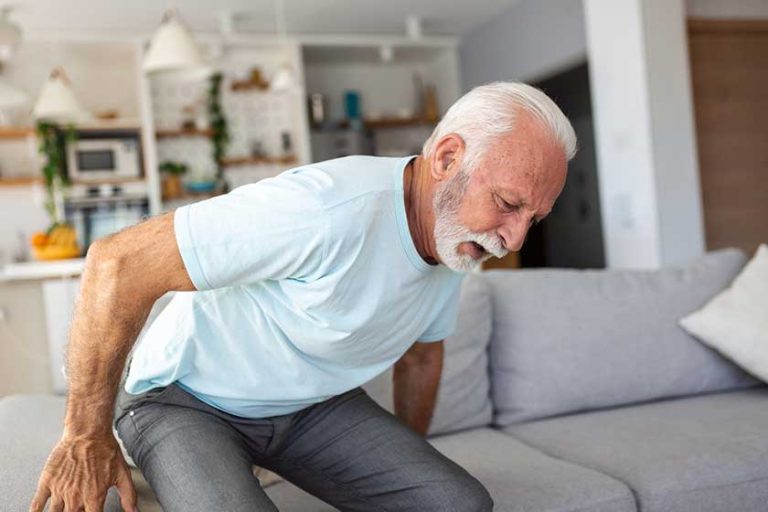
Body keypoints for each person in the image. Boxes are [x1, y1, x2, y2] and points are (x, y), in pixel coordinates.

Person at [30, 82, 576, 512]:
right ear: (448, 158)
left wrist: (393, 467)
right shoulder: (323, 208)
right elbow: (116, 264)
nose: (515, 239)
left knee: (458, 504)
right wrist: (84, 433)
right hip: (186, 398)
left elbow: (423, 353)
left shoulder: (458, 238)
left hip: (312, 408)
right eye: (508, 202)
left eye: (535, 217)